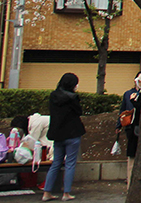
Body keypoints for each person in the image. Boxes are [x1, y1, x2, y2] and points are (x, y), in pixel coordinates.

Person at [42, 73, 85, 201]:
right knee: (70, 164)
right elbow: (79, 112)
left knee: (56, 163)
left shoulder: (53, 96)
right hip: (72, 134)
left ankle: (46, 193)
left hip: (58, 135)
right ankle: (66, 194)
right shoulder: (73, 98)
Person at [117, 71, 141, 189]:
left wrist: (134, 102)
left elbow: (140, 109)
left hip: (136, 128)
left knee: (133, 156)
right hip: (133, 128)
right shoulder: (134, 93)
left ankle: (132, 183)